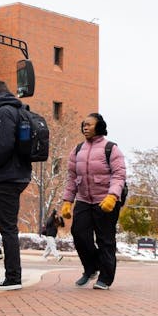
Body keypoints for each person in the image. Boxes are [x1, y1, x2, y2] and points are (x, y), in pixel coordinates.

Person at [61, 112, 127, 290]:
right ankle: (91, 268)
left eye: (89, 124)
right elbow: (72, 178)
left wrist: (112, 196)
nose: (85, 127)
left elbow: (119, 175)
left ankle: (105, 278)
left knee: (105, 240)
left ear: (99, 126)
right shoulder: (77, 150)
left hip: (105, 201)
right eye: (84, 124)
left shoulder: (111, 149)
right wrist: (67, 201)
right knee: (79, 234)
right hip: (84, 200)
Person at [0, 80, 33, 290]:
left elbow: (6, 145)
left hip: (8, 177)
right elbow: (13, 145)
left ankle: (13, 278)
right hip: (18, 174)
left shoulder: (3, 111)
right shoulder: (20, 110)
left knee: (8, 227)